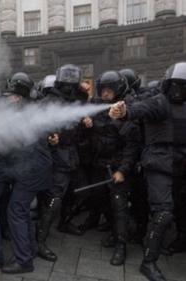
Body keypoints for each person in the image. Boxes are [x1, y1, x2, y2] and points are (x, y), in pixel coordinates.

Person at [0, 72, 52, 274]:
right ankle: (26, 252)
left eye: (12, 95)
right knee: (16, 211)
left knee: (16, 211)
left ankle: (20, 260)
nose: (9, 99)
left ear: (19, 95)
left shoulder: (17, 111)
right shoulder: (28, 106)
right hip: (23, 167)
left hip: (29, 168)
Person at [109, 62, 186, 281]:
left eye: (184, 86)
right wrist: (123, 111)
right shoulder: (160, 102)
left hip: (180, 165)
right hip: (159, 164)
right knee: (162, 213)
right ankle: (149, 262)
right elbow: (138, 111)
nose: (179, 91)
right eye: (175, 85)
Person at [84, 70, 140, 266]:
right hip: (100, 165)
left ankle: (120, 246)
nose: (105, 94)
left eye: (109, 91)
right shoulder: (98, 108)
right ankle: (114, 232)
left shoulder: (125, 111)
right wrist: (88, 126)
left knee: (119, 206)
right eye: (102, 90)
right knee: (101, 199)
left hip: (117, 167)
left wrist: (123, 170)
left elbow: (132, 146)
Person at [36, 64, 89, 262]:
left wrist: (86, 123)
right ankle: (39, 240)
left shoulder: (76, 101)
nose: (68, 85)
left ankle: (64, 222)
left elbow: (82, 118)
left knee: (79, 191)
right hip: (57, 155)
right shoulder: (49, 101)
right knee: (54, 198)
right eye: (65, 81)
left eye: (71, 81)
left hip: (73, 155)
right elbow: (34, 124)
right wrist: (50, 137)